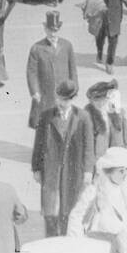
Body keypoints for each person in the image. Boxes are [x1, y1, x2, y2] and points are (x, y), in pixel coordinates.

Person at [32, 79, 95, 236]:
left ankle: (67, 240)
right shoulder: (46, 116)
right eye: (59, 98)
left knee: (68, 206)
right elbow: (38, 144)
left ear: (73, 99)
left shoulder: (83, 117)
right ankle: (51, 240)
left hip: (72, 169)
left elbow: (89, 147)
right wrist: (36, 168)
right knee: (50, 209)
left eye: (66, 100)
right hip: (51, 169)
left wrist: (88, 170)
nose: (61, 102)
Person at [25, 10, 77, 130]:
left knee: (63, 122)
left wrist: (74, 88)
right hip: (45, 93)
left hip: (63, 93)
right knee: (46, 124)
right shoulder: (36, 48)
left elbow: (72, 69)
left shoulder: (67, 46)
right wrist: (35, 91)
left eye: (55, 30)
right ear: (45, 29)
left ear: (59, 30)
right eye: (50, 30)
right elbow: (31, 72)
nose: (53, 34)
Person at [87, 0, 127, 74]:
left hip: (115, 15)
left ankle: (109, 63)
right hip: (101, 16)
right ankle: (99, 52)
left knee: (113, 39)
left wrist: (120, 15)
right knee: (100, 37)